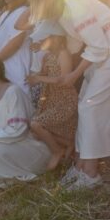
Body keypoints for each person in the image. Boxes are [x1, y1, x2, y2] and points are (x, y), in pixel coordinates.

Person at [29, 0, 110, 189]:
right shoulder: (64, 2)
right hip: (106, 53)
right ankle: (81, 165)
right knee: (84, 104)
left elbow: (98, 45)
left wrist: (73, 75)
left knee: (89, 107)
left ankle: (90, 172)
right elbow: (76, 41)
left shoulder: (70, 4)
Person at [0, 54, 51, 187]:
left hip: (27, 144)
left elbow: (17, 131)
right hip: (0, 144)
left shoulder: (13, 92)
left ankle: (10, 177)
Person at [25, 21, 79, 170]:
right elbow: (43, 74)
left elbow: (64, 80)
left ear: (55, 38)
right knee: (35, 130)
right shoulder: (48, 56)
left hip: (64, 101)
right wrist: (33, 77)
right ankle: (68, 144)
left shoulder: (63, 54)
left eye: (43, 39)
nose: (41, 42)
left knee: (36, 125)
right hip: (51, 99)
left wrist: (39, 79)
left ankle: (57, 151)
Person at [0, 0, 31, 97]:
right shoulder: (4, 13)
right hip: (3, 71)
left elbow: (15, 44)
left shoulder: (24, 12)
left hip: (17, 72)